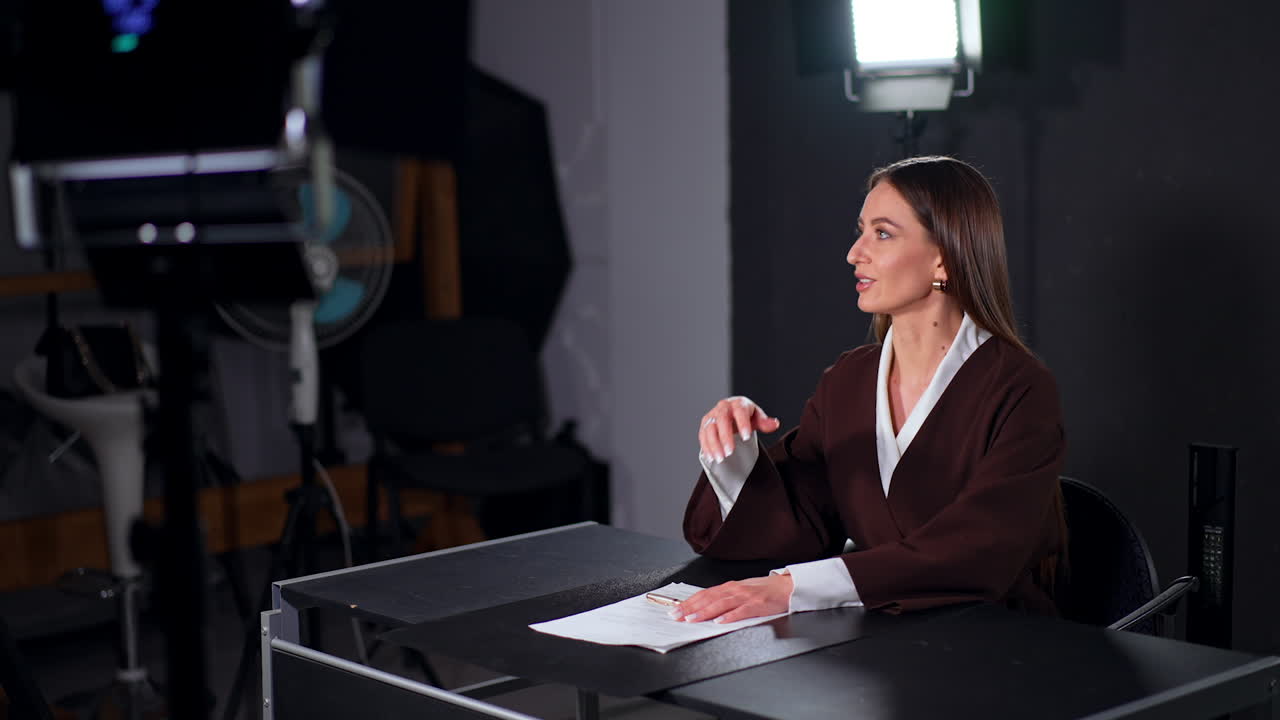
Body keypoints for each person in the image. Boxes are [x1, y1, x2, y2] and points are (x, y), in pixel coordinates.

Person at [674, 155, 1066, 625]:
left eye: (882, 233)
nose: (854, 253)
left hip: (1001, 647)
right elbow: (799, 523)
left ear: (943, 254)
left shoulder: (1019, 389)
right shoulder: (849, 380)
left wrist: (796, 587)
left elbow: (979, 549)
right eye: (861, 230)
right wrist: (736, 450)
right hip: (878, 640)